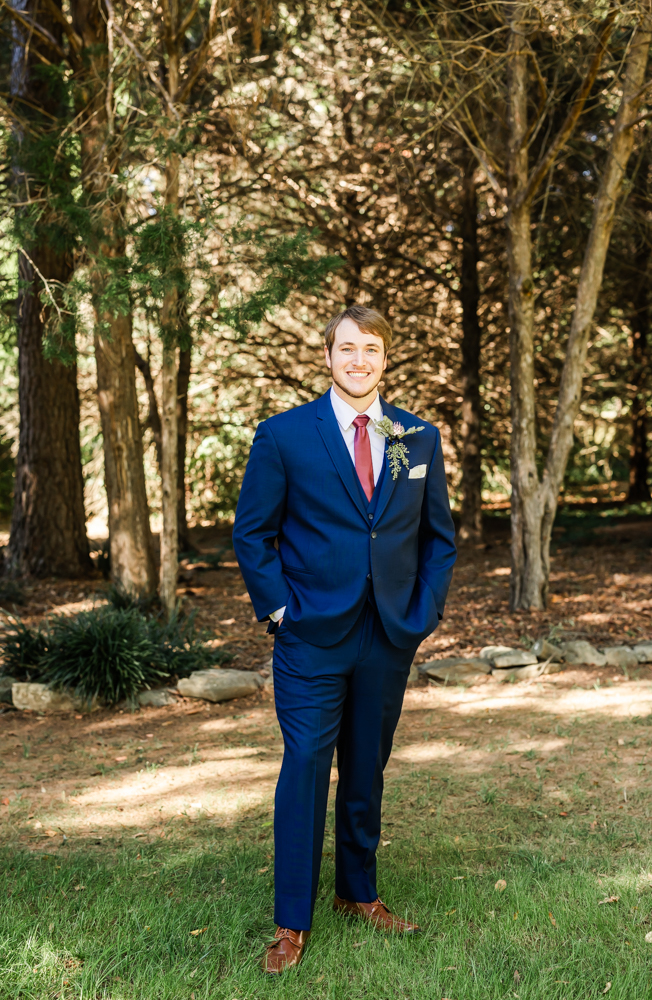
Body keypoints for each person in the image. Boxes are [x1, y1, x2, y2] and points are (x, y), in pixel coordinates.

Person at [233, 305, 457, 973]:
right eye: (348, 349)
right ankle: (291, 922)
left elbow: (438, 540)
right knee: (305, 767)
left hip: (388, 634)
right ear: (327, 356)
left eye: (373, 350)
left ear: (385, 359)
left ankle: (359, 893)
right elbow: (252, 533)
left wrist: (425, 612)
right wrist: (279, 611)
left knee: (366, 768)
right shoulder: (284, 436)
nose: (360, 361)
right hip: (309, 636)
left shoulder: (417, 438)